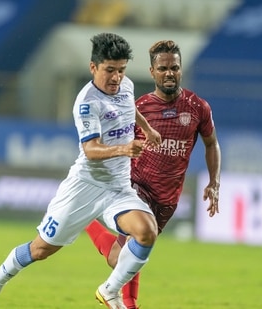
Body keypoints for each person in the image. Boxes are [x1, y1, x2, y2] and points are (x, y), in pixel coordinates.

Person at [0, 32, 162, 309]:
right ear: (93, 67)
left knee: (146, 231)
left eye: (121, 70)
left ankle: (110, 290)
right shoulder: (87, 103)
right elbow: (91, 150)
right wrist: (123, 149)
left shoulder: (127, 86)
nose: (116, 77)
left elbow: (129, 108)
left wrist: (146, 127)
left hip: (118, 188)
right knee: (40, 250)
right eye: (110, 70)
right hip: (84, 187)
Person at [85, 39, 221, 308]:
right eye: (163, 68)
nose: (169, 73)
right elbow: (114, 141)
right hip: (137, 187)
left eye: (174, 67)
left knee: (120, 256)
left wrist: (214, 182)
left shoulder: (197, 107)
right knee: (134, 247)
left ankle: (86, 221)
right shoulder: (140, 108)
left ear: (181, 69)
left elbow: (211, 143)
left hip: (168, 198)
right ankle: (128, 303)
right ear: (152, 72)